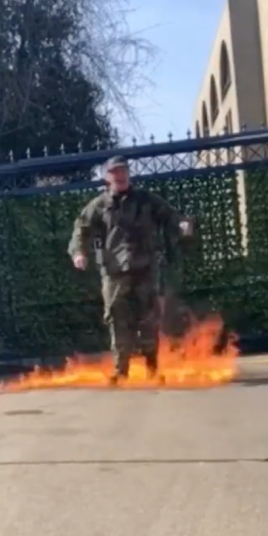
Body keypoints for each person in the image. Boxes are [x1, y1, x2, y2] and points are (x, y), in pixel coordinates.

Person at [68, 155, 194, 383]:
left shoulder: (146, 200)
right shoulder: (100, 205)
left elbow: (169, 215)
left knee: (149, 319)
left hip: (144, 268)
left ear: (128, 173)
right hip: (114, 272)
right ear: (108, 177)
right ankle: (120, 371)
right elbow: (81, 228)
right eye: (115, 172)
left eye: (123, 170)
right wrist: (78, 252)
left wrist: (182, 224)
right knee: (117, 319)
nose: (120, 175)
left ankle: (152, 369)